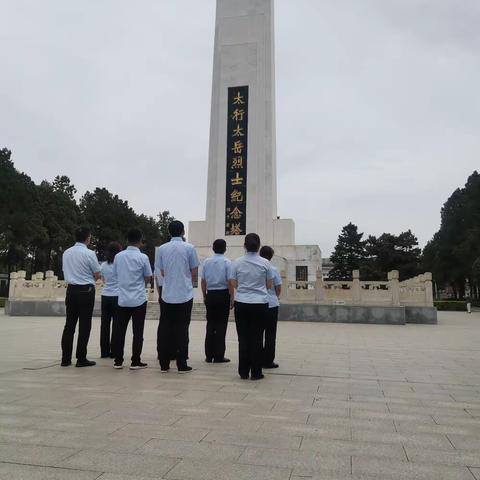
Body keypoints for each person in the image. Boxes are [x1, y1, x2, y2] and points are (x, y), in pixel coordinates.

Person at [155, 220, 199, 373]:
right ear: (183, 232)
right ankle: (181, 363)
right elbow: (194, 270)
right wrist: (186, 280)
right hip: (185, 294)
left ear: (169, 232)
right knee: (182, 328)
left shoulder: (162, 249)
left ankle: (164, 363)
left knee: (165, 328)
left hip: (167, 294)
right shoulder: (189, 248)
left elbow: (161, 271)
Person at [229, 233, 273, 380]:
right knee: (257, 338)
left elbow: (233, 283)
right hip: (260, 303)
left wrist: (244, 288)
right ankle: (256, 372)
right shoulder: (266, 263)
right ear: (259, 246)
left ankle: (243, 371)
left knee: (243, 338)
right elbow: (269, 285)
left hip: (241, 303)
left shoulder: (237, 262)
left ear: (244, 246)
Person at [61, 226, 101, 367]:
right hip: (86, 290)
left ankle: (65, 359)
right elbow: (97, 274)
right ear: (88, 237)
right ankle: (81, 358)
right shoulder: (89, 253)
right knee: (84, 325)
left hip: (71, 290)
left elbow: (65, 270)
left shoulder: (66, 253)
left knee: (69, 325)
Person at [113, 228, 152, 370]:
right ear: (140, 241)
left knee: (119, 332)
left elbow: (116, 274)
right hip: (138, 300)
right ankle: (135, 361)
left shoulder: (118, 256)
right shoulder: (143, 257)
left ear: (127, 240)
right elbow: (148, 277)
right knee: (138, 332)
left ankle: (118, 361)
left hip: (122, 299)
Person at [201, 239, 234, 363]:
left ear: (213, 248)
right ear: (225, 249)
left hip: (211, 294)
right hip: (222, 294)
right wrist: (232, 297)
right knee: (221, 326)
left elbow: (203, 281)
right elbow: (230, 281)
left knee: (210, 325)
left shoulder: (207, 262)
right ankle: (219, 355)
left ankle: (209, 355)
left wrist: (204, 295)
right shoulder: (227, 262)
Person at [259, 245, 282, 369]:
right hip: (271, 304)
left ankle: (257, 359)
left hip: (257, 303)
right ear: (271, 256)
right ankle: (268, 361)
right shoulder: (273, 269)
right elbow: (278, 287)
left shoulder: (255, 268)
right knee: (270, 334)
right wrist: (275, 296)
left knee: (257, 334)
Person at [99, 241, 122, 358]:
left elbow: (103, 280)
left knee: (105, 325)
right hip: (117, 295)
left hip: (105, 295)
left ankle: (104, 351)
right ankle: (114, 351)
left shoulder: (103, 265)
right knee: (116, 325)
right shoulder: (120, 265)